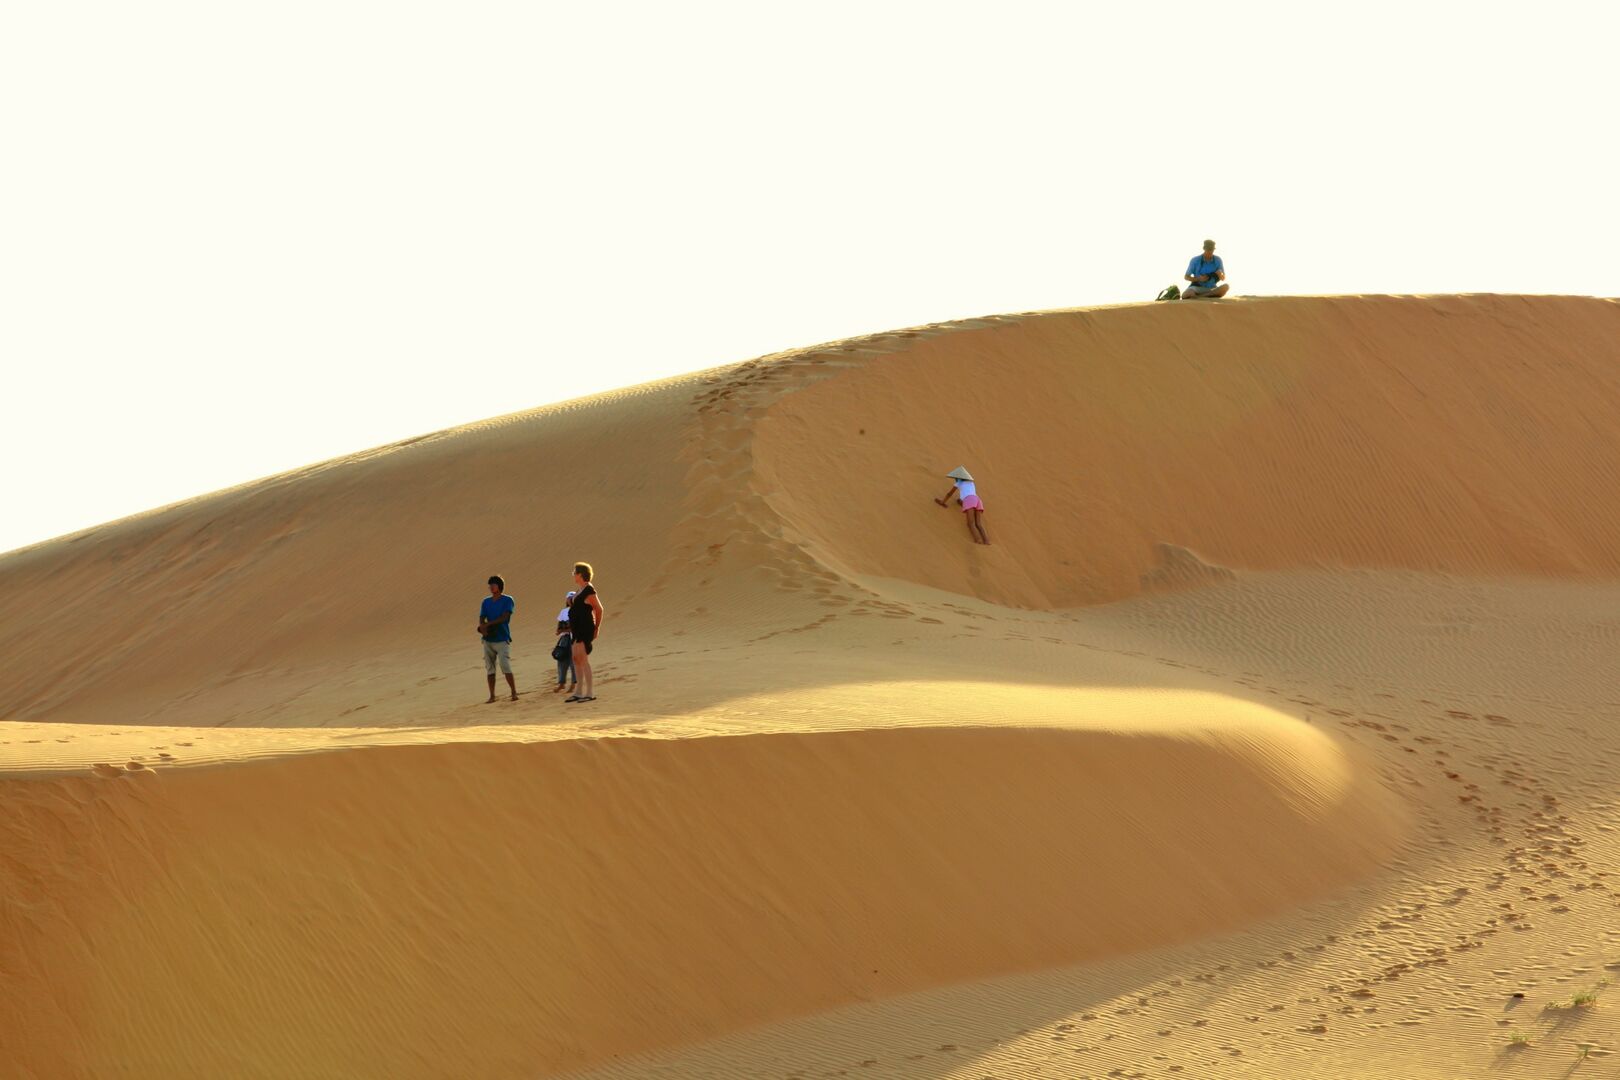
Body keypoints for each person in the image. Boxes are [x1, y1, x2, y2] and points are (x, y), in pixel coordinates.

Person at [564, 563, 604, 703]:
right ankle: (579, 692)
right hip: (576, 629)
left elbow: (599, 609)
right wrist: (570, 600)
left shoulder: (589, 590)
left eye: (574, 572)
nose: (573, 575)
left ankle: (590, 693)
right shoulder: (580, 590)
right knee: (576, 659)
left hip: (585, 628)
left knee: (583, 659)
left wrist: (596, 628)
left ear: (580, 574)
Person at [477, 575, 518, 703]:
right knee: (490, 668)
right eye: (490, 585)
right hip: (488, 640)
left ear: (499, 586)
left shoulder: (507, 600)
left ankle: (513, 693)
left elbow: (505, 617)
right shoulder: (486, 602)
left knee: (505, 665)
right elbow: (482, 616)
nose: (491, 587)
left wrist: (488, 624)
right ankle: (492, 696)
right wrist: (483, 627)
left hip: (502, 638)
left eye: (493, 585)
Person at [935, 466, 991, 545]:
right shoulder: (971, 482)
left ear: (958, 477)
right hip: (978, 500)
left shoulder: (959, 483)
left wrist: (942, 502)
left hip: (969, 500)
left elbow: (950, 494)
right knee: (978, 524)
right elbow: (969, 495)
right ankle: (987, 541)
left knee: (970, 523)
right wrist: (961, 502)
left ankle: (978, 540)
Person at [552, 590, 577, 694]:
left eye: (573, 598)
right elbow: (559, 628)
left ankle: (573, 684)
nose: (570, 600)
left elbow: (575, 628)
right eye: (569, 598)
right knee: (561, 660)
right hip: (564, 639)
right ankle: (561, 684)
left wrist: (565, 629)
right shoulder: (563, 611)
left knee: (573, 662)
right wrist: (562, 629)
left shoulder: (578, 610)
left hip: (575, 639)